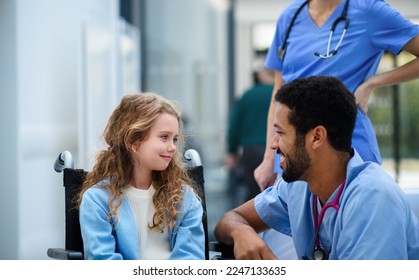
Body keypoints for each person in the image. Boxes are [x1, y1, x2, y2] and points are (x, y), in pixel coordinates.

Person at [214, 76, 419, 260]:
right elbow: (229, 220)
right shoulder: (299, 185)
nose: (273, 144)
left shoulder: (374, 199)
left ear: (316, 137)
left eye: (281, 133)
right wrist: (242, 232)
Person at [254, 0, 419, 190]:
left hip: (348, 150)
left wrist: (373, 83)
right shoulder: (289, 17)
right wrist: (268, 159)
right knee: (298, 218)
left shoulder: (369, 11)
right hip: (293, 154)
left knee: (355, 216)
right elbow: (278, 95)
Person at [77, 93, 205, 260]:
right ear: (132, 140)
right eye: (164, 137)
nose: (173, 147)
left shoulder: (184, 197)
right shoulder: (97, 200)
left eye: (174, 139)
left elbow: (191, 259)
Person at [226, 55, 274, 203]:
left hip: (250, 151)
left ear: (259, 75)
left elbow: (234, 124)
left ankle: (250, 224)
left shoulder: (247, 95)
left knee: (253, 194)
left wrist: (231, 151)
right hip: (275, 149)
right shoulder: (281, 93)